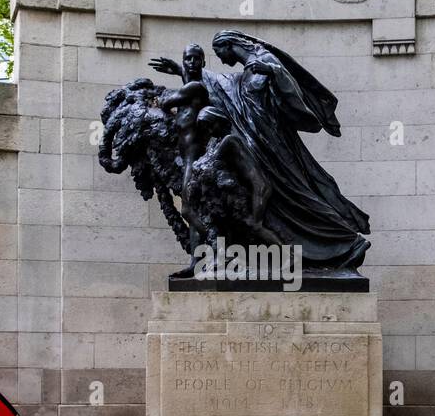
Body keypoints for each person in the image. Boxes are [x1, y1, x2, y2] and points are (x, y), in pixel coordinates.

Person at [149, 31, 370, 270]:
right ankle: (273, 257)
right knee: (279, 203)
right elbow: (217, 88)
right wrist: (181, 72)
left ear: (228, 45)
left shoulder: (264, 60)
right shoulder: (242, 73)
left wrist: (272, 72)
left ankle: (346, 241)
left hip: (273, 141)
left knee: (298, 192)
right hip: (255, 141)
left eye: (219, 53)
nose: (220, 60)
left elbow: (293, 95)